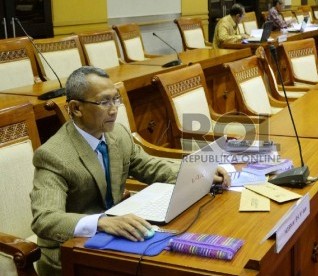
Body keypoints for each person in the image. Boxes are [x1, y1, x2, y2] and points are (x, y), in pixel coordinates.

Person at [30, 66, 231, 275]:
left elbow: (149, 166)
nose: (114, 109)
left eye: (115, 99)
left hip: (118, 235)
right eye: (104, 102)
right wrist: (101, 222)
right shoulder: (53, 156)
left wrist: (200, 172)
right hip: (71, 254)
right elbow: (45, 219)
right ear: (76, 108)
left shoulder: (117, 134)